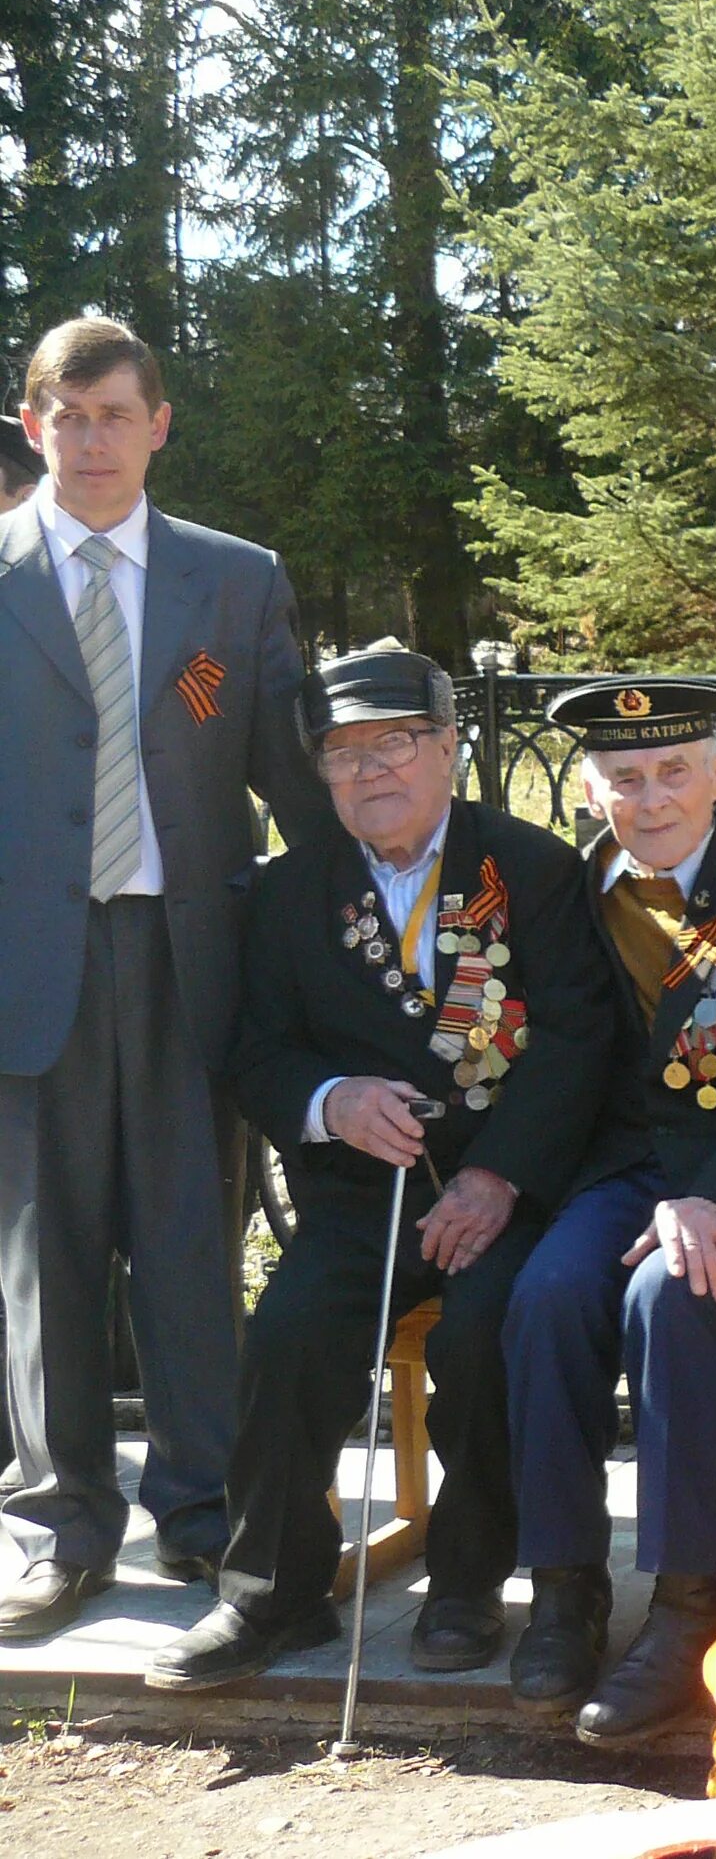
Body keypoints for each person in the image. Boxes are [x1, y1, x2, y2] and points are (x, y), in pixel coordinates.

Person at [145, 647, 622, 1690]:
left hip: (506, 1195)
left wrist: (497, 1177)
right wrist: (333, 1103)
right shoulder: (289, 890)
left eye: (394, 744)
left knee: (490, 1336)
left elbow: (582, 1040)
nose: (370, 773)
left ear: (449, 748)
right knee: (286, 1338)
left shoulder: (531, 869)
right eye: (342, 754)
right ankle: (270, 1594)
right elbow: (258, 1050)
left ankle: (464, 1584)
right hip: (368, 1196)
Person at [0, 316, 332, 1642]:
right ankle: (52, 1519)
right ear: (33, 427)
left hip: (194, 955)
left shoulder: (232, 582)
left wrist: (366, 928)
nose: (91, 440)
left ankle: (201, 1507)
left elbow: (293, 776)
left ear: (158, 425)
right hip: (32, 965)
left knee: (193, 1242)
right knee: (43, 1253)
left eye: (114, 414)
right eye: (66, 417)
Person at [500, 680, 716, 1737]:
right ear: (594, 790)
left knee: (672, 1294)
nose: (650, 801)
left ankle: (695, 1601)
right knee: (549, 1294)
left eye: (672, 773)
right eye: (624, 779)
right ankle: (566, 1585)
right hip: (624, 1170)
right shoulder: (576, 892)